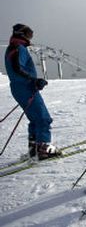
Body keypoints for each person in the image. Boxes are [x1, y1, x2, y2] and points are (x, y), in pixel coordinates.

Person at [4, 24, 61, 160]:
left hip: (20, 88)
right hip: (25, 87)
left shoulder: (14, 48)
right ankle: (43, 149)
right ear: (22, 34)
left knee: (35, 119)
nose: (30, 37)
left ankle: (34, 149)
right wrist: (33, 80)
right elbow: (18, 68)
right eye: (29, 34)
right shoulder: (19, 49)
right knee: (43, 118)